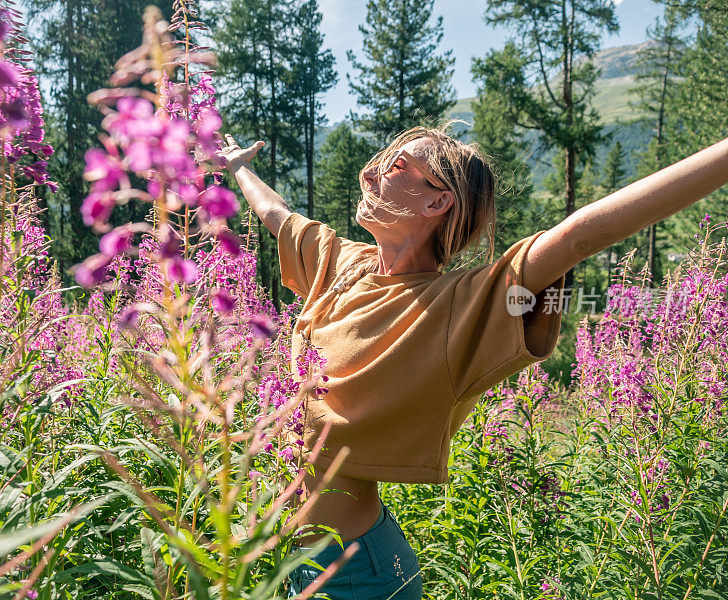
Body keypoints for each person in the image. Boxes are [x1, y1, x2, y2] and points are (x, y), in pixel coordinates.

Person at [217, 123, 728, 599]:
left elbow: (576, 237)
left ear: (439, 201)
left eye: (395, 167)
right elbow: (278, 216)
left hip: (357, 574)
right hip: (292, 555)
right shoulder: (343, 264)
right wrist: (239, 166)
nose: (368, 173)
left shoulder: (464, 304)